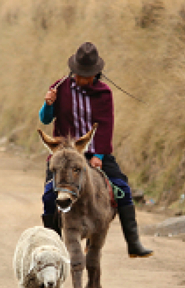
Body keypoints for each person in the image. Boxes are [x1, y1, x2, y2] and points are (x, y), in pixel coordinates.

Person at [39, 42, 153, 258]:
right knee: (48, 195)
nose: (82, 78)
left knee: (122, 189)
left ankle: (134, 242)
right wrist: (48, 104)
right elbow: (45, 119)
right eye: (79, 73)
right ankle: (53, 245)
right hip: (65, 154)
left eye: (87, 74)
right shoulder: (59, 88)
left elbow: (106, 126)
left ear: (96, 74)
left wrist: (99, 155)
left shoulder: (104, 93)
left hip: (95, 151)